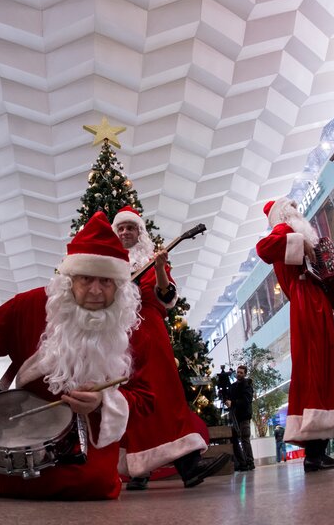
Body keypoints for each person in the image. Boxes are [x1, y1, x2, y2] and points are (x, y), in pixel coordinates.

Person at [0, 211, 155, 500]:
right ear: (69, 279)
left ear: (119, 287)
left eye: (106, 281)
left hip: (88, 444)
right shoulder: (32, 304)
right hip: (20, 429)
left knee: (95, 483)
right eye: (86, 278)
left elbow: (147, 397)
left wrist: (103, 402)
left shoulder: (133, 328)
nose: (96, 291)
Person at [111, 206, 229, 490]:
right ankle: (138, 472)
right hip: (118, 338)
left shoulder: (150, 260)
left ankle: (187, 467)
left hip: (150, 331)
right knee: (131, 400)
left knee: (166, 394)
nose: (126, 232)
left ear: (141, 232)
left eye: (131, 227)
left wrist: (161, 269)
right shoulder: (107, 263)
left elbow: (166, 297)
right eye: (121, 228)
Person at [256, 198, 334, 472]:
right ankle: (314, 454)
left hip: (317, 300)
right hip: (306, 302)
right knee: (313, 368)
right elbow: (263, 248)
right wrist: (301, 242)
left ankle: (317, 451)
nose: (298, 211)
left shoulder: (292, 231)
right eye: (292, 208)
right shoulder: (284, 230)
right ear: (284, 214)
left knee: (322, 369)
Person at [227, 365, 255, 471]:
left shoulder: (247, 386)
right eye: (238, 372)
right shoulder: (233, 386)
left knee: (245, 439)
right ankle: (242, 463)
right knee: (235, 439)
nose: (239, 374)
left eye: (241, 373)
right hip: (236, 417)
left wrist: (232, 402)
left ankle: (249, 462)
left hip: (244, 417)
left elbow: (246, 401)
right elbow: (230, 398)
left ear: (245, 374)